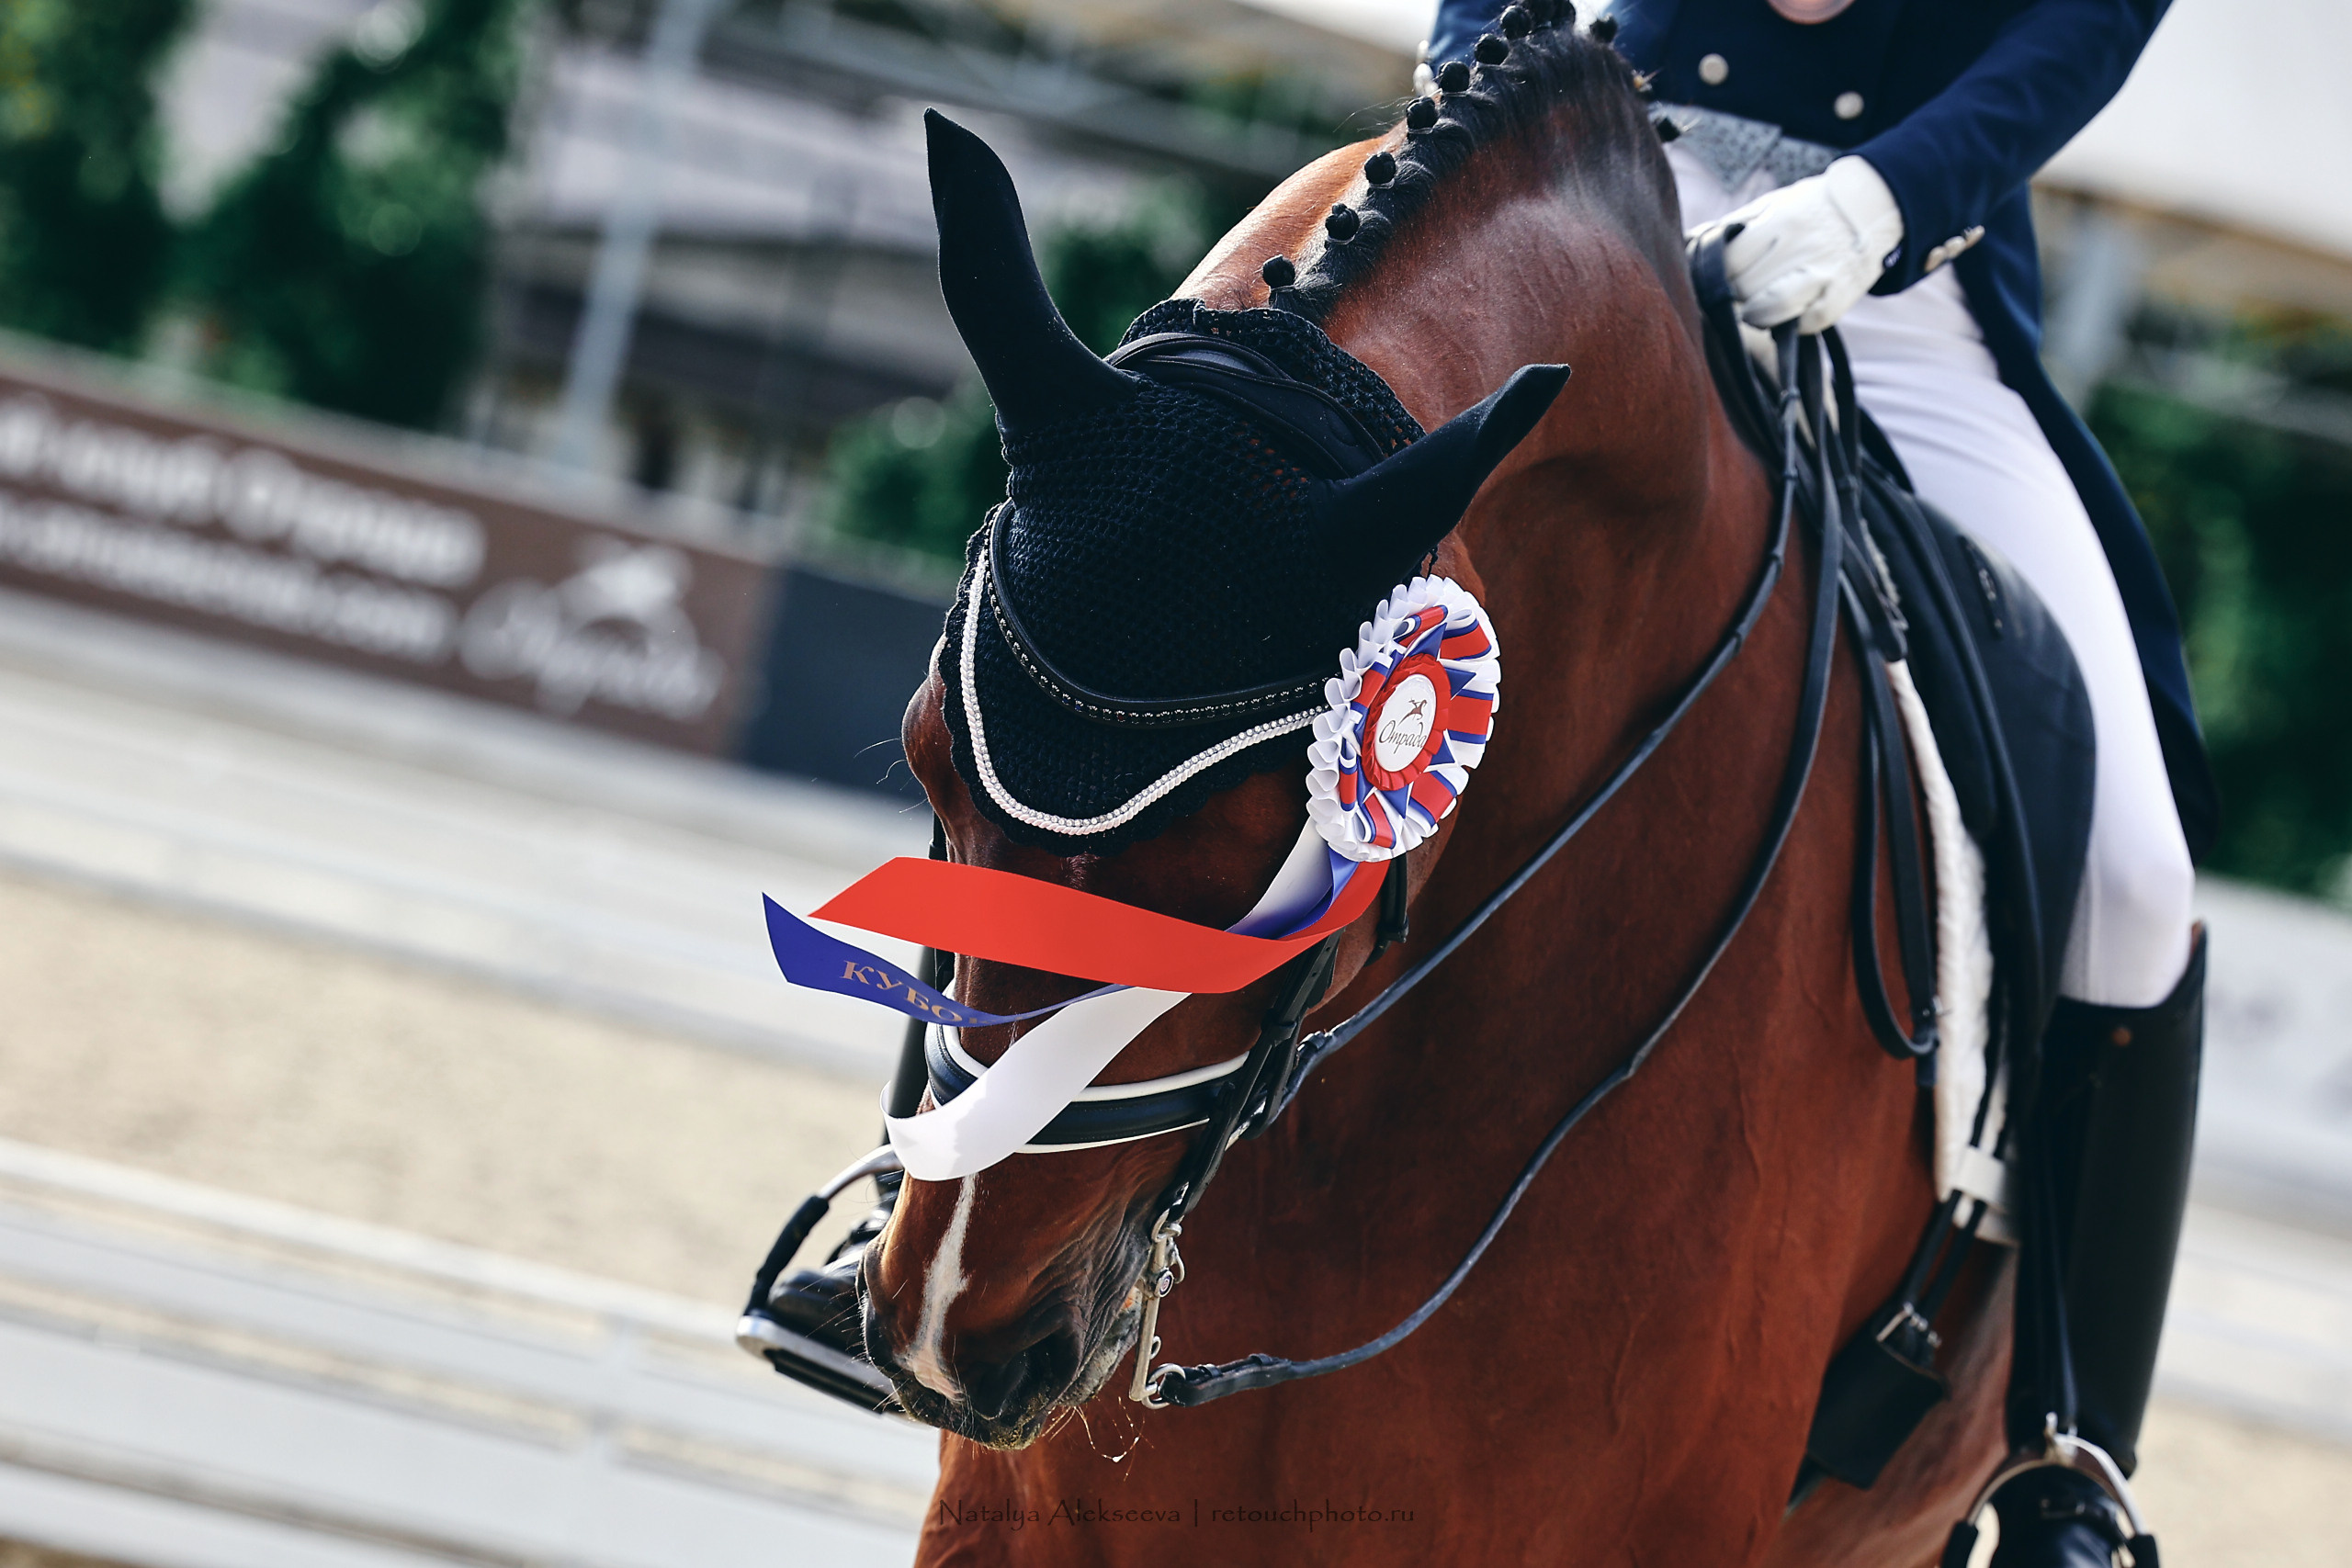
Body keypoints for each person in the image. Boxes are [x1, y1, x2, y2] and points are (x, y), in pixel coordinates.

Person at [1420, 0, 2207, 1557]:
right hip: (1582, 188)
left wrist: (1887, 199)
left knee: (2135, 880)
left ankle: (2068, 1451)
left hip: (1903, 277)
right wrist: (1480, 99)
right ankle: (942, 1180)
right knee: (1236, 517)